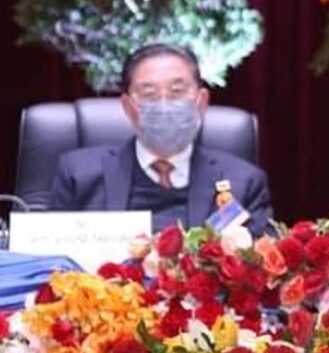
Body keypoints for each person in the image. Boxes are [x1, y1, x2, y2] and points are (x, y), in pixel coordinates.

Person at [49, 43, 273, 235]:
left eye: (177, 91)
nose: (164, 104)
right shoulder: (78, 175)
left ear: (201, 102)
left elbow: (261, 268)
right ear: (127, 107)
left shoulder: (245, 183)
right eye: (149, 93)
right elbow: (51, 259)